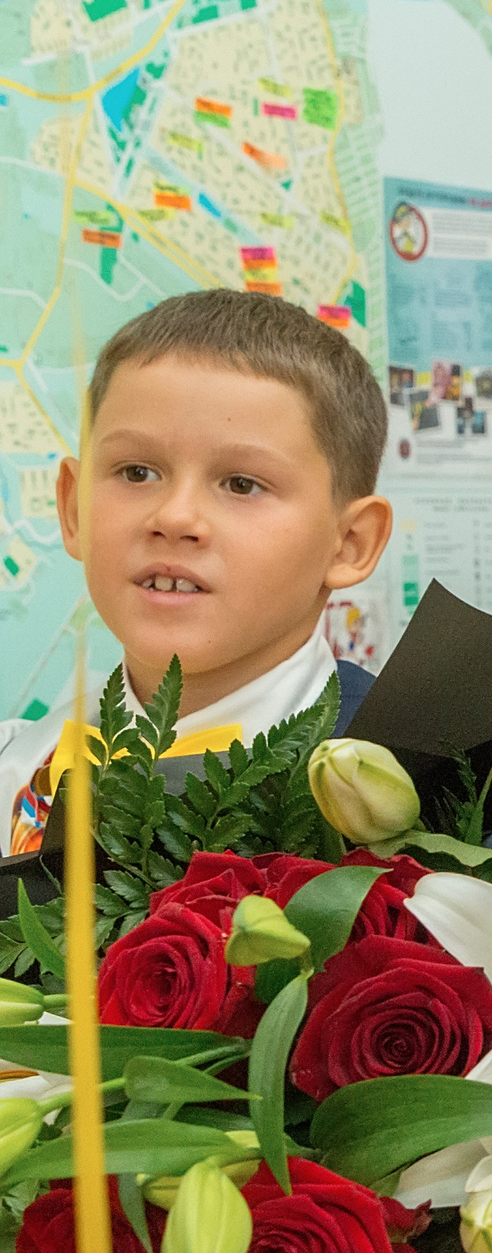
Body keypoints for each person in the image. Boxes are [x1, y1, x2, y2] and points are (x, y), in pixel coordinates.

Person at [3, 290, 394, 854]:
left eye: (241, 483)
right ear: (72, 510)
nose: (175, 517)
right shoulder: (18, 767)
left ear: (350, 543)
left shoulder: (423, 804)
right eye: (136, 472)